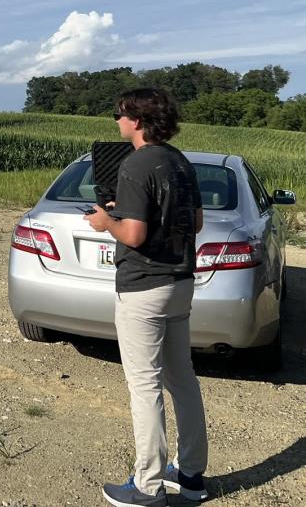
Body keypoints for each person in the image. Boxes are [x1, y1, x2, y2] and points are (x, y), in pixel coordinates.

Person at [84, 88, 208, 507]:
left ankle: (147, 485)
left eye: (119, 115)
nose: (117, 122)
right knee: (182, 380)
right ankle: (190, 475)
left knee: (145, 386)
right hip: (180, 283)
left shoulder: (136, 164)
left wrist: (106, 221)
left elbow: (133, 235)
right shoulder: (179, 161)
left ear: (136, 120)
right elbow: (196, 219)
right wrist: (130, 209)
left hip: (144, 287)